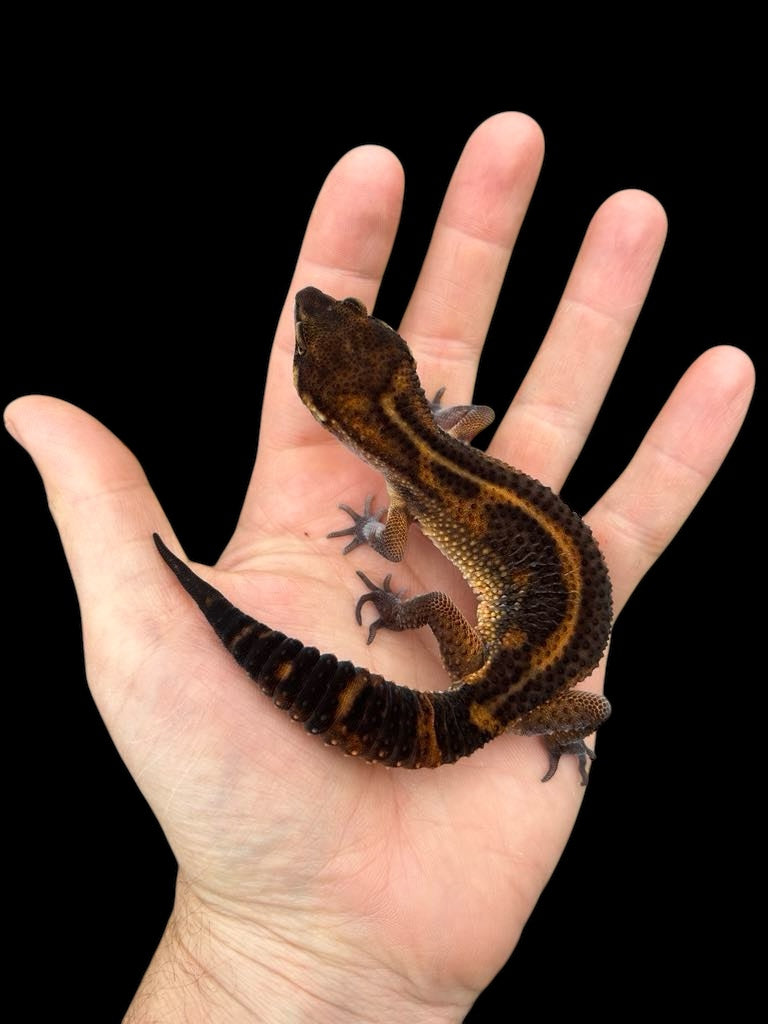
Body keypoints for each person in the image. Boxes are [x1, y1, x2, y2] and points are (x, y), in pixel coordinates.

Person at [4, 112, 754, 1022]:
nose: (323, 313)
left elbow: (400, 547)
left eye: (342, 326)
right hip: (533, 667)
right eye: (325, 333)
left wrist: (393, 575)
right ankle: (553, 732)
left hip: (504, 666)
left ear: (337, 414)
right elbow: (464, 445)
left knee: (451, 620)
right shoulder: (439, 457)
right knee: (583, 706)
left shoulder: (414, 487)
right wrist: (560, 727)